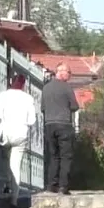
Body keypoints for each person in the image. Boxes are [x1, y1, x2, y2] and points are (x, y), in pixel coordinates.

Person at [0, 73, 38, 207]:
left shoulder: (3, 96)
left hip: (5, 133)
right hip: (21, 134)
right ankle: (14, 198)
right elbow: (32, 120)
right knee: (16, 165)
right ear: (24, 85)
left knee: (6, 159)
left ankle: (7, 182)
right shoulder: (28, 98)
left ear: (11, 82)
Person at [40, 63, 79, 195]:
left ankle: (51, 185)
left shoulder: (46, 88)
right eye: (69, 72)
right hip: (64, 124)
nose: (70, 76)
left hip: (49, 125)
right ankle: (63, 186)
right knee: (65, 156)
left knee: (53, 156)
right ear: (62, 72)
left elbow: (43, 108)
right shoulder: (67, 88)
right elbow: (74, 106)